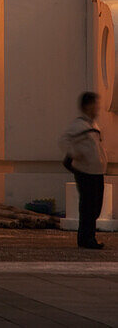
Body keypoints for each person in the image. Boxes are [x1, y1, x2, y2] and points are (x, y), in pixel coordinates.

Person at [60, 91, 108, 249]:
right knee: (88, 206)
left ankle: (88, 237)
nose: (98, 108)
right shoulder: (79, 126)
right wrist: (76, 154)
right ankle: (86, 238)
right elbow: (64, 140)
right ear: (88, 106)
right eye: (95, 105)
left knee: (95, 206)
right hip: (86, 171)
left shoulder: (92, 125)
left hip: (97, 171)